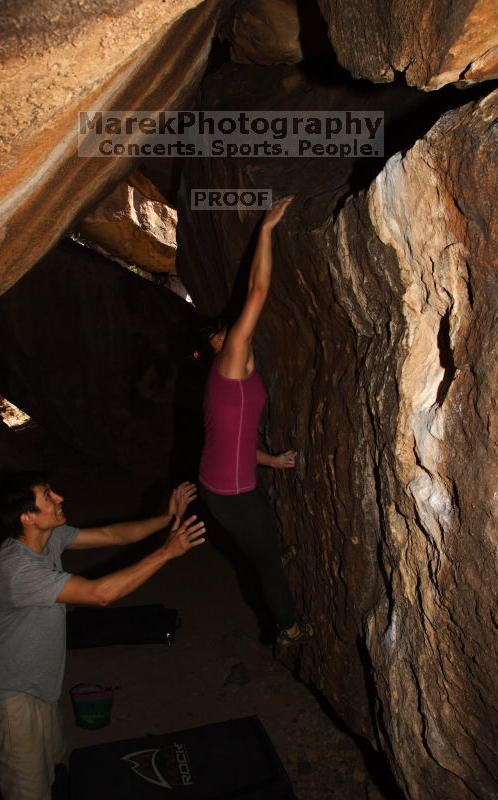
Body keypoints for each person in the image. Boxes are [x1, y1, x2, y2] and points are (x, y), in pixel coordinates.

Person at [0, 471, 204, 800]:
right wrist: (166, 552)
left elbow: (113, 534)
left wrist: (167, 518)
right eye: (48, 496)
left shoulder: (47, 537)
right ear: (28, 517)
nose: (60, 498)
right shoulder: (16, 572)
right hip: (13, 701)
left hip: (42, 687)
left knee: (53, 769)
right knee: (28, 793)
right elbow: (100, 594)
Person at [198, 196, 314, 647]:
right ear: (218, 345)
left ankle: (269, 551)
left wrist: (271, 461)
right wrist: (266, 229)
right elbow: (258, 293)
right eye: (220, 333)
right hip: (229, 494)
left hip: (228, 479)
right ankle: (288, 629)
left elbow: (235, 438)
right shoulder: (230, 361)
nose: (228, 331)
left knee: (264, 535)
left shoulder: (234, 365)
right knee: (266, 563)